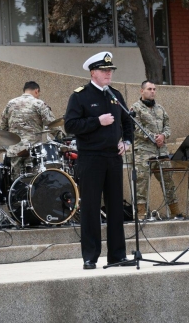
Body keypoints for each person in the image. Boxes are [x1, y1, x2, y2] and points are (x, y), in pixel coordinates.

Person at [64, 51, 133, 270]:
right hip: (91, 159)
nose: (108, 74)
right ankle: (90, 257)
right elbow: (71, 125)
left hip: (113, 157)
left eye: (110, 70)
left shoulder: (115, 95)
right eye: (104, 71)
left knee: (115, 209)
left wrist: (127, 142)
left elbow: (128, 121)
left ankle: (117, 256)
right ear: (93, 72)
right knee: (92, 209)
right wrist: (97, 121)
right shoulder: (80, 95)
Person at [131, 80, 180, 220]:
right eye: (149, 89)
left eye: (154, 89)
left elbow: (168, 128)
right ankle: (141, 214)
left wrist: (164, 136)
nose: (152, 91)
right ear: (142, 91)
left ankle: (175, 212)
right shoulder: (135, 108)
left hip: (161, 152)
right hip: (143, 153)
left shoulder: (160, 109)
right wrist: (154, 137)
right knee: (142, 183)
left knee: (168, 181)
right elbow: (136, 128)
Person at [0, 81, 60, 180]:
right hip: (32, 151)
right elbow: (52, 125)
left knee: (17, 182)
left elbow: (2, 128)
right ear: (36, 91)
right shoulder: (39, 103)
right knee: (33, 181)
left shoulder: (10, 104)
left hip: (15, 151)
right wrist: (63, 138)